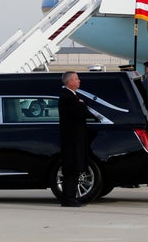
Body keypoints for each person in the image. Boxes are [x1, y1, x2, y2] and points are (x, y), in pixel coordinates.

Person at [57, 71, 90, 207]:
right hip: (71, 140)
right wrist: (82, 104)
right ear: (69, 82)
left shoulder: (73, 96)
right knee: (71, 168)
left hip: (74, 139)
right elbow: (82, 113)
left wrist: (81, 103)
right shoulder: (68, 97)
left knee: (74, 168)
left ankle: (71, 196)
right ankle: (68, 197)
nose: (79, 81)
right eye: (76, 79)